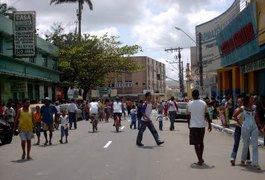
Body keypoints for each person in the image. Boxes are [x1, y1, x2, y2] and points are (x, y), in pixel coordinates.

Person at [233, 95, 261, 170]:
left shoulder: (254, 107)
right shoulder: (243, 108)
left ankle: (255, 163)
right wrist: (240, 123)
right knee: (246, 144)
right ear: (248, 100)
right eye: (251, 98)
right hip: (245, 127)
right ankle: (243, 159)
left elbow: (256, 117)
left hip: (254, 127)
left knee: (255, 145)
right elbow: (234, 116)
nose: (253, 99)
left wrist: (260, 127)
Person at [187, 89, 212, 166]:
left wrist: (188, 124)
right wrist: (210, 124)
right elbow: (207, 114)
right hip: (201, 126)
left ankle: (200, 159)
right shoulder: (203, 103)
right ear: (198, 95)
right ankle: (200, 158)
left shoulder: (189, 104)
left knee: (195, 143)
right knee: (201, 142)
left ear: (192, 95)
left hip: (193, 126)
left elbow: (188, 115)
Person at [230, 97, 250, 166]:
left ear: (243, 102)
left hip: (244, 128)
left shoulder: (245, 110)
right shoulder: (236, 110)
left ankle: (248, 158)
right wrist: (237, 120)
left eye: (240, 102)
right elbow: (233, 117)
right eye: (238, 102)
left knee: (246, 143)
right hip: (238, 128)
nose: (239, 103)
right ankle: (233, 158)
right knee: (236, 142)